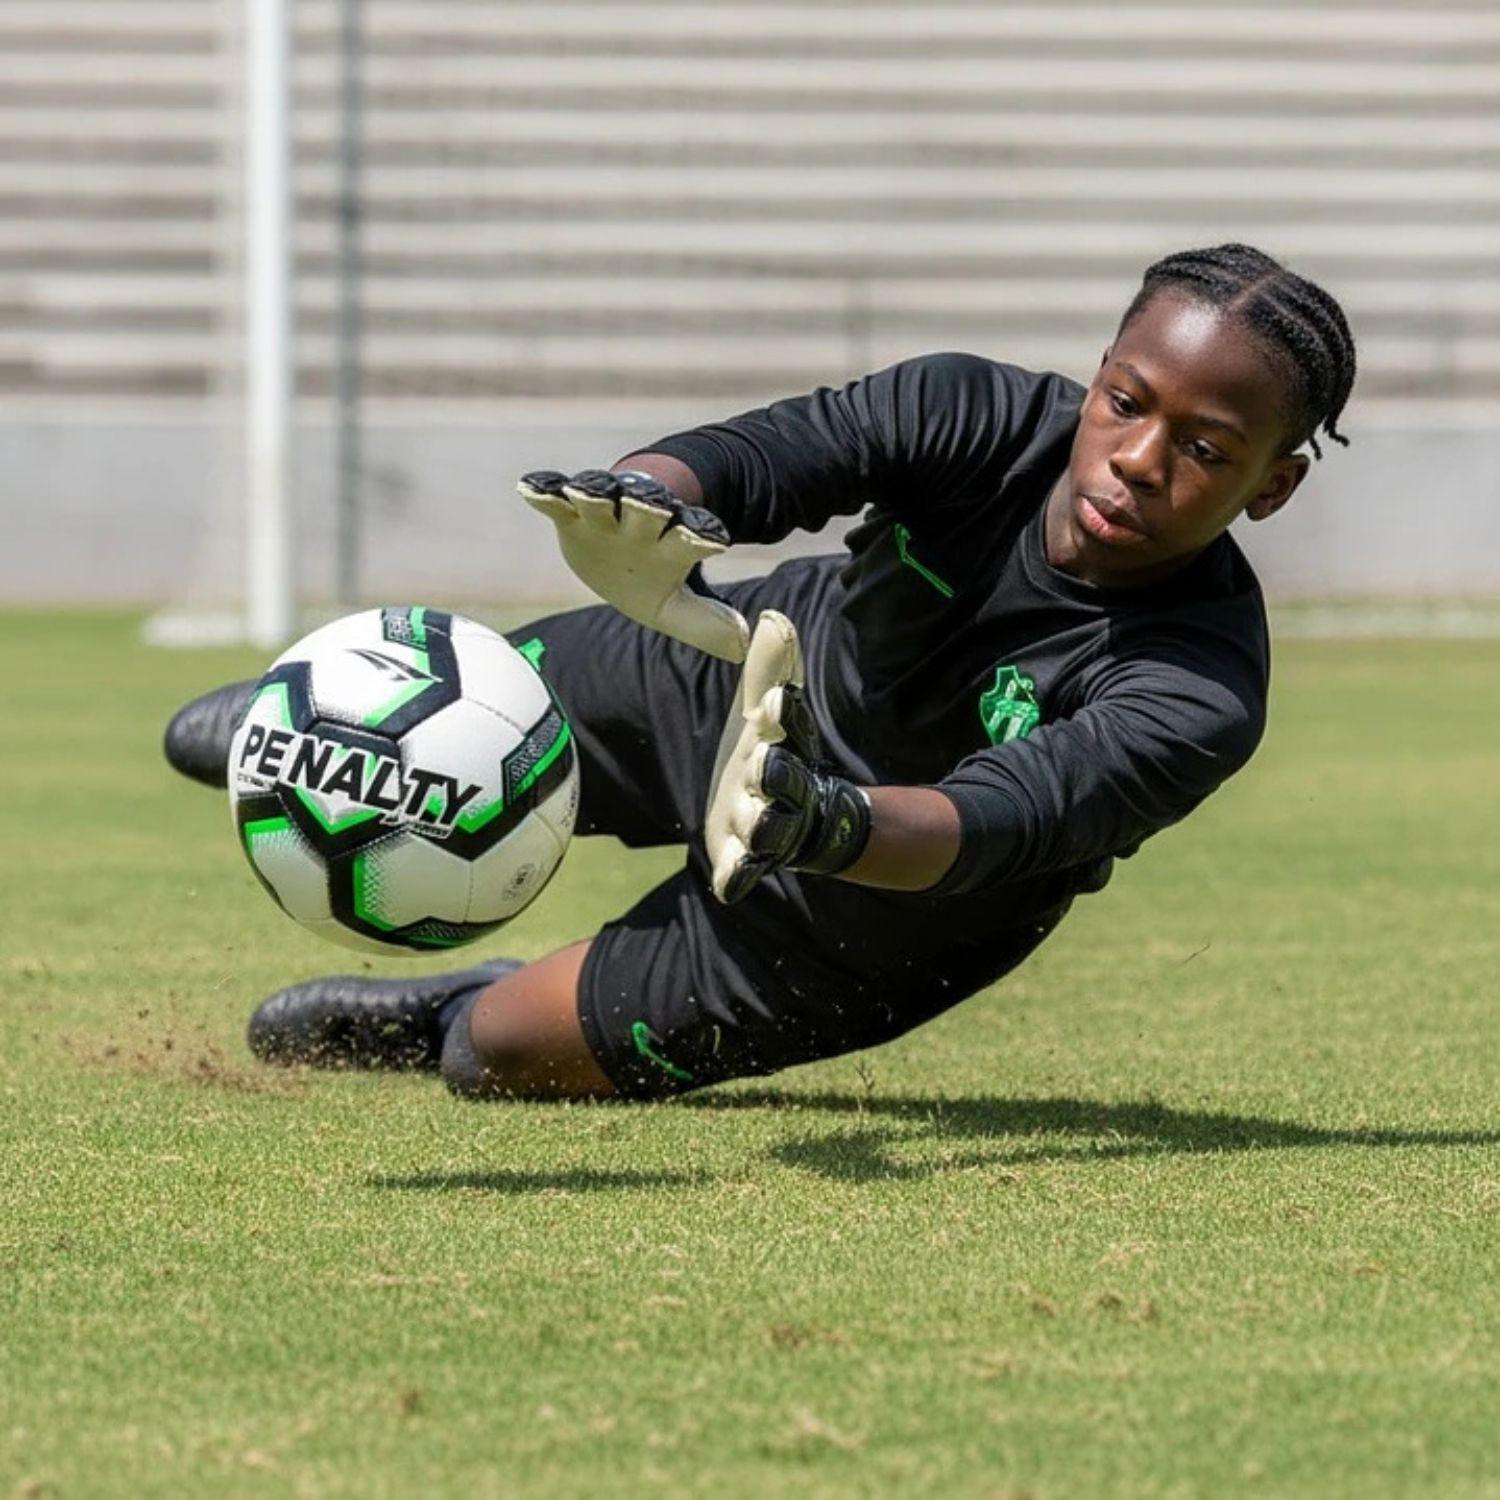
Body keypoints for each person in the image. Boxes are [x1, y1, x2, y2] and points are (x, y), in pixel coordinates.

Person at [165, 242, 1357, 1102]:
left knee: (497, 1056)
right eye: (1126, 403)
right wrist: (648, 495)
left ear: (1271, 484)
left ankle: (463, 997)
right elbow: (784, 454)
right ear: (1097, 375)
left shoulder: (1202, 680)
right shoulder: (977, 412)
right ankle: (310, 729)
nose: (1141, 459)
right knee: (310, 734)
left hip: (871, 911)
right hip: (737, 671)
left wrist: (823, 825)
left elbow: (1002, 819)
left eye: (1205, 450)